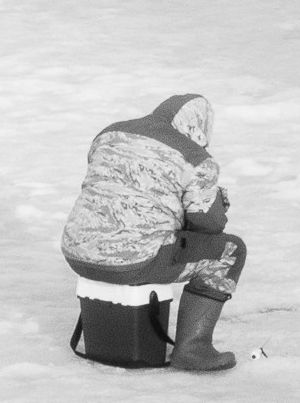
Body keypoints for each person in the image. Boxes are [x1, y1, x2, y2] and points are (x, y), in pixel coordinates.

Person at [60, 93, 246, 372]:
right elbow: (209, 225)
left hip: (77, 253)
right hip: (136, 261)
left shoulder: (110, 133)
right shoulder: (195, 157)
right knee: (230, 251)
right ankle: (193, 348)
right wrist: (218, 201)